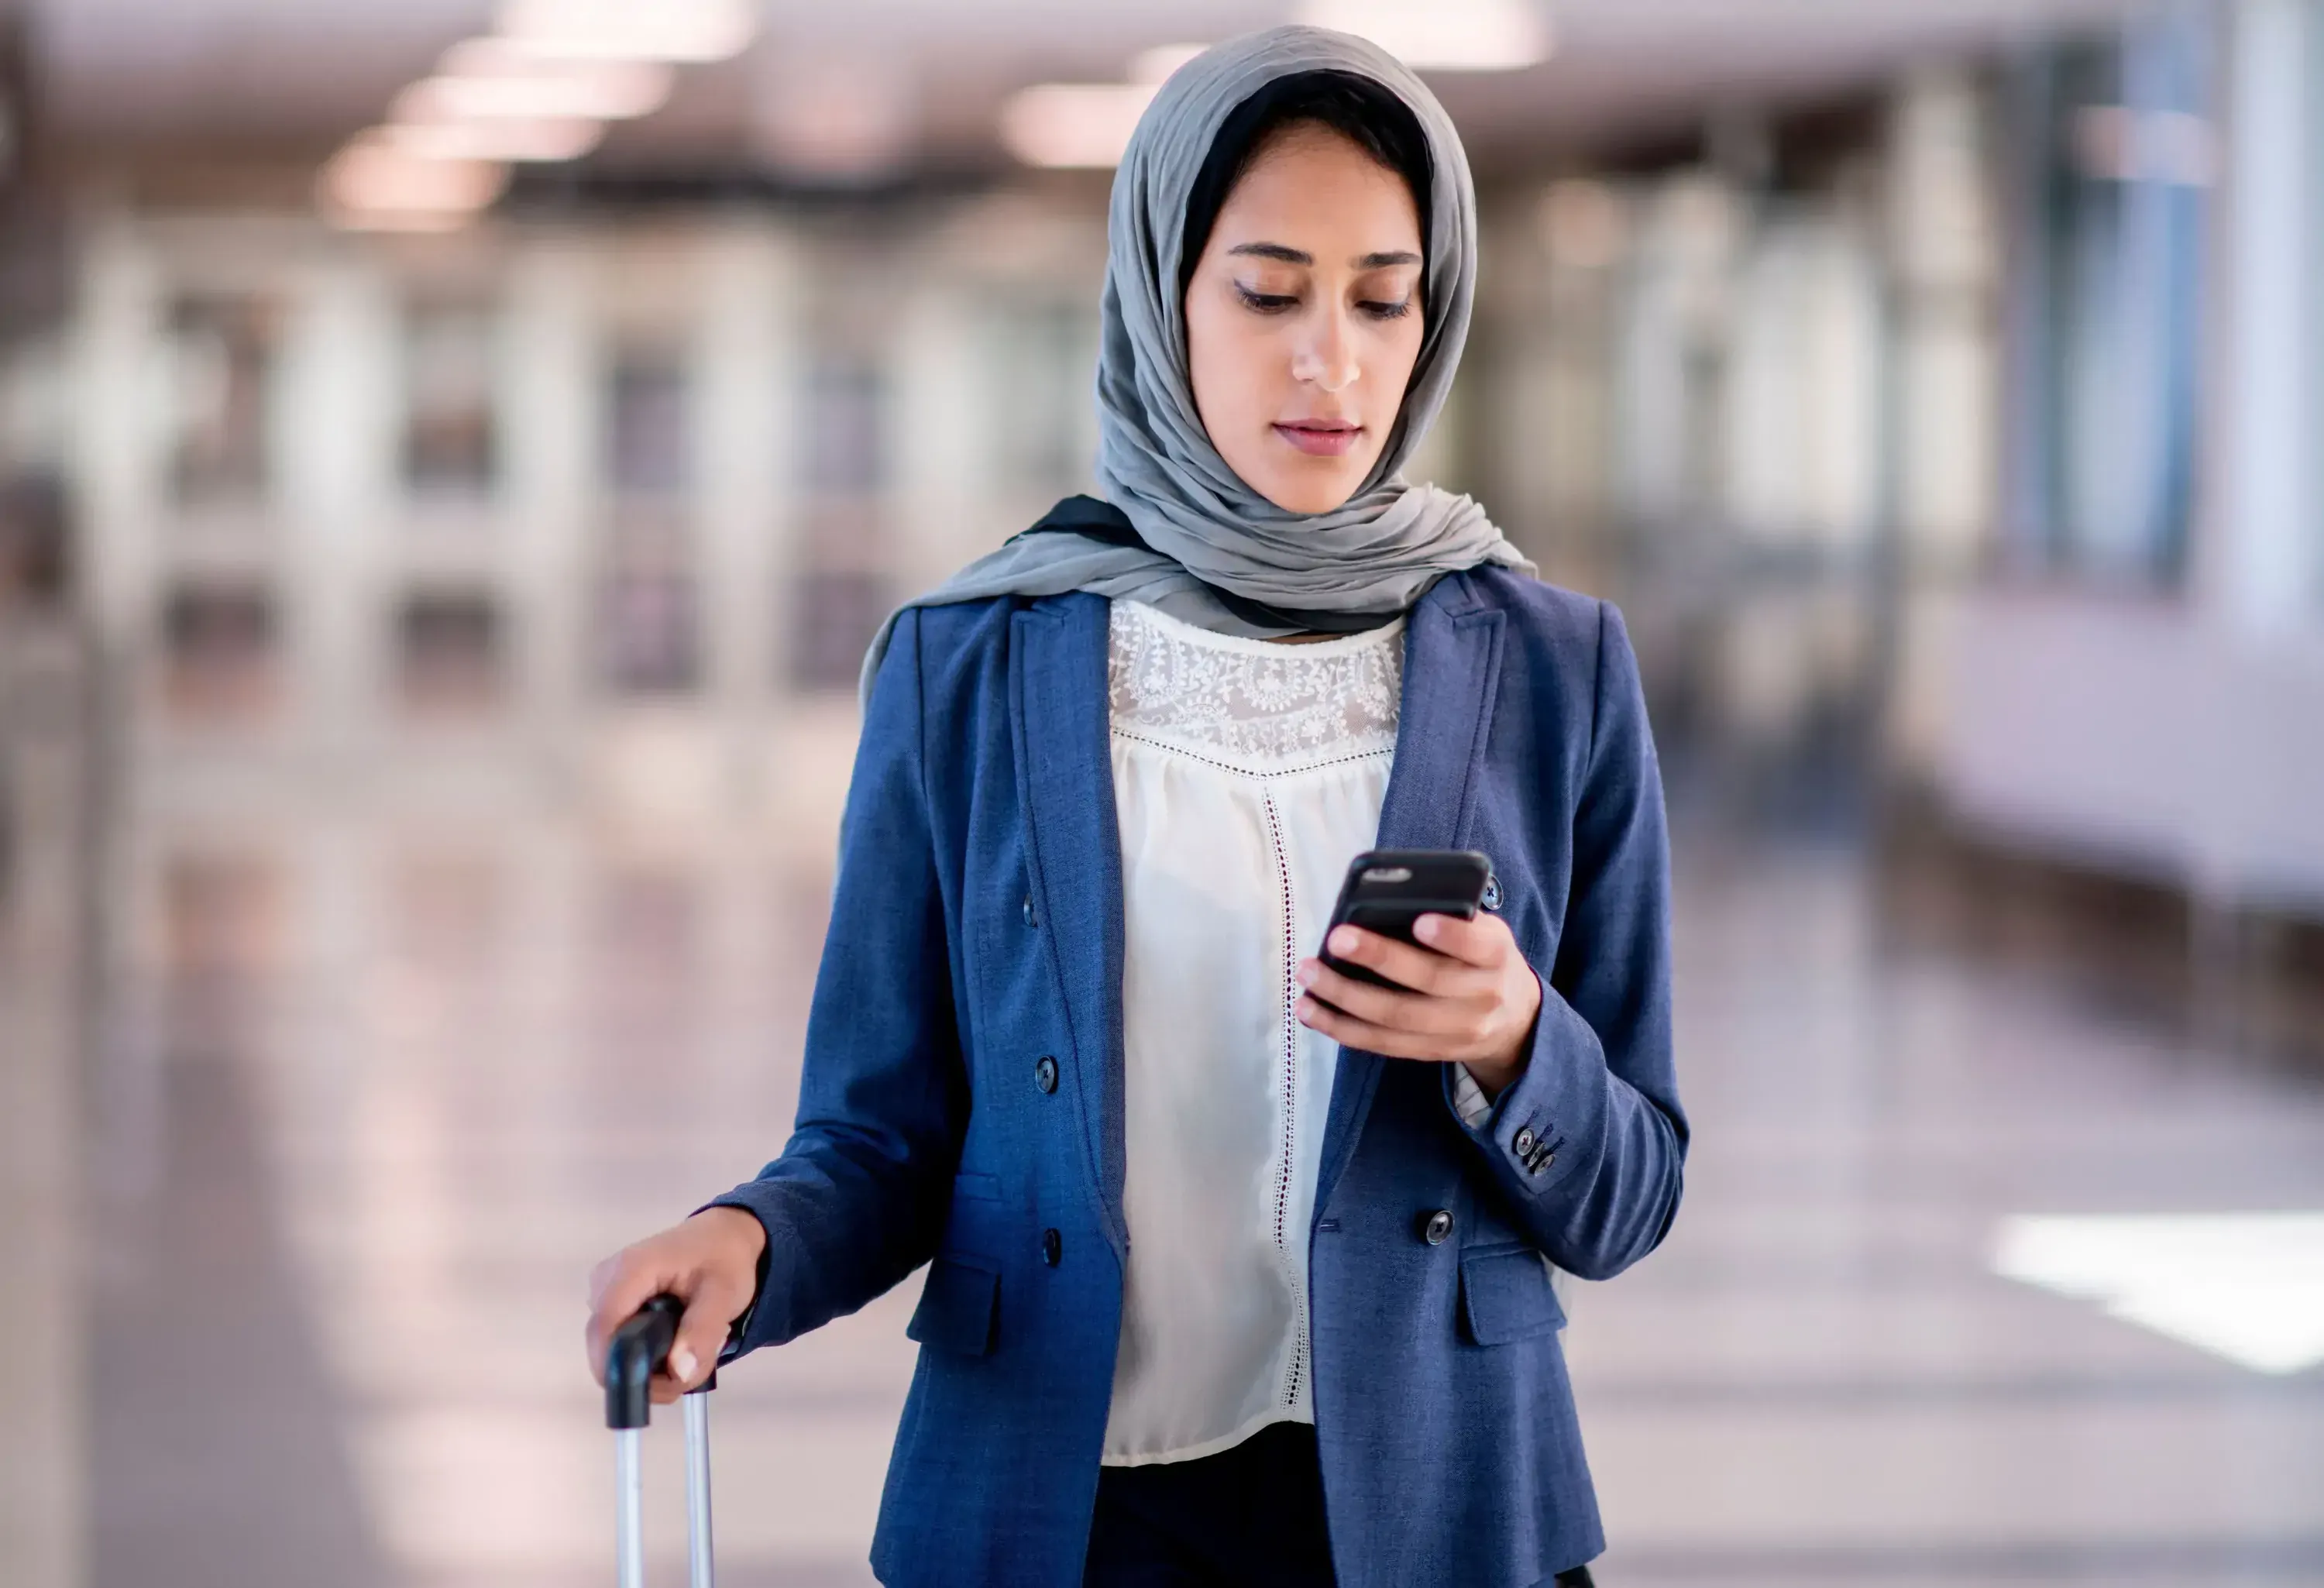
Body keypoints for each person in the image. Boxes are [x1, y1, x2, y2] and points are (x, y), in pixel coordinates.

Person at [584, 25, 1686, 1588]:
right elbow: (885, 1132)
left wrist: (1515, 1038)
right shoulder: (971, 662)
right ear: (1162, 296)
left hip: (1441, 1510)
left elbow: (1633, 1186)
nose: (1333, 359)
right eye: (1268, 289)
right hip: (1067, 1508)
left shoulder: (1553, 664)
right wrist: (747, 1241)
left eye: (1384, 297)